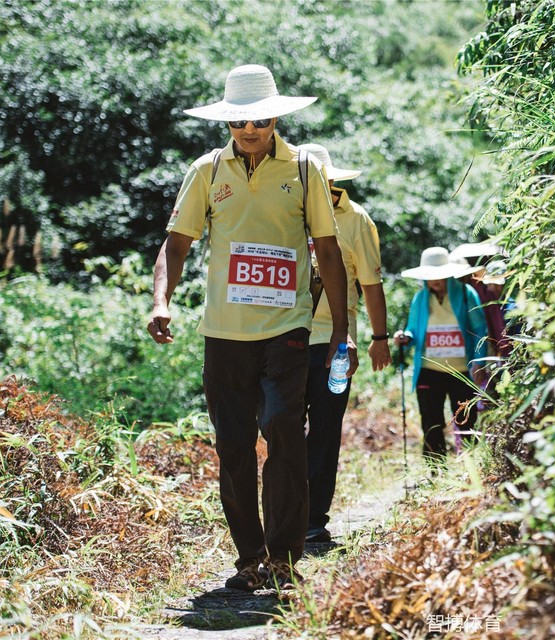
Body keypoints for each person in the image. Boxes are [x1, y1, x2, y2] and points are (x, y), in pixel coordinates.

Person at [146, 65, 352, 592]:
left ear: (276, 116)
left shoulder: (304, 169)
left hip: (287, 329)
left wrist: (340, 331)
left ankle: (284, 560)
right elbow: (176, 242)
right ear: (228, 122)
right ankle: (250, 559)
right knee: (233, 445)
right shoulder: (208, 171)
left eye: (258, 119)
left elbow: (327, 250)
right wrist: (161, 301)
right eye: (238, 121)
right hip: (224, 335)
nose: (249, 130)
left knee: (284, 433)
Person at [299, 143, 391, 546]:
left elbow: (371, 284)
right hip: (284, 337)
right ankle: (287, 511)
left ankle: (312, 519)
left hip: (337, 345)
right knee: (280, 427)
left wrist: (379, 337)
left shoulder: (356, 221)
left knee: (324, 429)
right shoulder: (286, 213)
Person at [392, 247, 488, 463]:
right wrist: (405, 337)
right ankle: (435, 471)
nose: (433, 281)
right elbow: (413, 331)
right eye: (429, 277)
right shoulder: (420, 298)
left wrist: (480, 362)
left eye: (438, 276)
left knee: (466, 421)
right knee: (431, 422)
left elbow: (480, 328)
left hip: (461, 371)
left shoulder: (466, 294)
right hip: (429, 371)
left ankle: (470, 467)